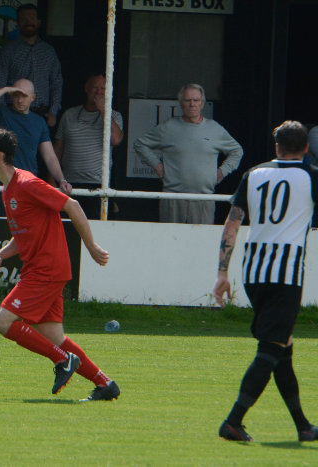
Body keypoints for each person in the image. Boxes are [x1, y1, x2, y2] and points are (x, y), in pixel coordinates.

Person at [0, 125, 119, 401]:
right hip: (44, 269)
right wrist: (0, 255)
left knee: (2, 321)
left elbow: (72, 205)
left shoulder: (27, 183)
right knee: (54, 336)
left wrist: (91, 247)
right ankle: (105, 384)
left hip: (47, 269)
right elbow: (22, 235)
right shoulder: (8, 191)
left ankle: (63, 361)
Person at [213, 121, 318, 442]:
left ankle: (303, 426)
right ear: (305, 148)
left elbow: (232, 225)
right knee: (271, 348)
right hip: (285, 276)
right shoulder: (311, 175)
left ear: (276, 147)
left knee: (281, 347)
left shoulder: (253, 175)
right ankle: (233, 422)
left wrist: (222, 273)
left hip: (253, 273)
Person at [134, 83, 244, 224]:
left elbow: (237, 151)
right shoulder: (169, 127)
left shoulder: (215, 129)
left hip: (204, 199)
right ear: (181, 103)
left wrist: (224, 170)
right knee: (170, 241)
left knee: (200, 244)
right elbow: (140, 144)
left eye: (196, 100)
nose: (192, 104)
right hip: (172, 198)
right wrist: (157, 166)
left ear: (202, 103)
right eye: (187, 100)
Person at [0, 79, 71, 194]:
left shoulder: (39, 122)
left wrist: (61, 180)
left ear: (33, 97)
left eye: (24, 96)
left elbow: (49, 156)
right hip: (0, 184)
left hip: (27, 183)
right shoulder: (1, 113)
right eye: (16, 95)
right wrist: (6, 89)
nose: (19, 100)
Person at [54, 73, 124, 219]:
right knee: (68, 230)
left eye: (103, 89)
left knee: (94, 230)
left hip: (98, 185)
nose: (98, 92)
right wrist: (51, 179)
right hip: (68, 185)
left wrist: (103, 110)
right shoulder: (69, 115)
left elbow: (116, 140)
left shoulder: (114, 116)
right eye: (95, 88)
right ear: (86, 89)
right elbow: (58, 149)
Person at [0, 3, 62, 128]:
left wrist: (53, 112)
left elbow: (56, 82)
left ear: (39, 22)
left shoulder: (48, 51)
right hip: (13, 113)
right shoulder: (7, 51)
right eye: (24, 19)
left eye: (32, 18)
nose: (28, 22)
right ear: (17, 23)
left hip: (42, 114)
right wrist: (3, 113)